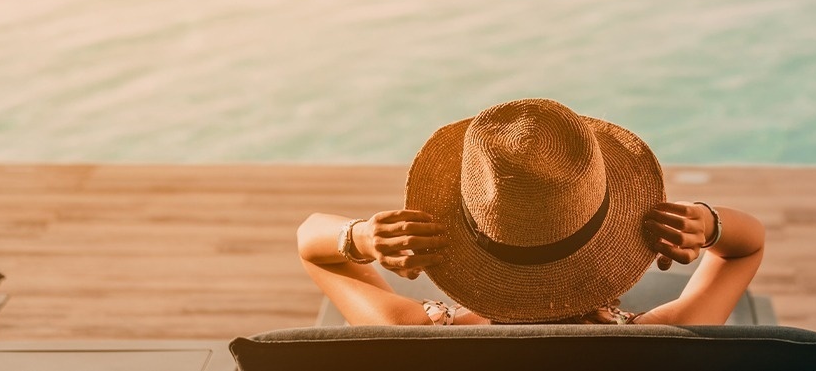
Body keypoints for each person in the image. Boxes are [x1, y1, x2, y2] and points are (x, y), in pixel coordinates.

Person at [296, 98, 765, 325]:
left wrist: (359, 237)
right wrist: (707, 225)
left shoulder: (412, 335)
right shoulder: (665, 341)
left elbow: (312, 246)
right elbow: (746, 249)